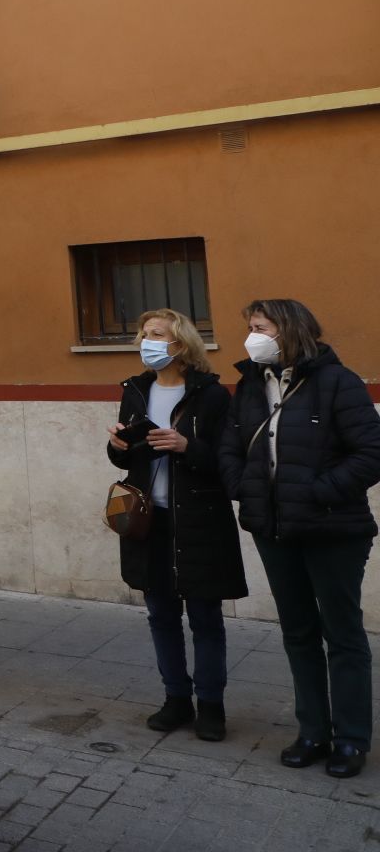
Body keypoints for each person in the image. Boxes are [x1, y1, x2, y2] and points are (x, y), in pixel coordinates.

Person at [219, 298, 380, 779]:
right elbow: (231, 447)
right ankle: (313, 731)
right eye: (249, 326)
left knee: (343, 633)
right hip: (275, 529)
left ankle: (351, 739)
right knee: (298, 633)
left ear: (289, 330)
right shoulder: (250, 385)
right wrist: (242, 489)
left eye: (261, 326)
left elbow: (371, 451)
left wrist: (317, 493)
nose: (252, 336)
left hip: (333, 530)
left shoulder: (337, 382)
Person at [105, 309, 243, 742]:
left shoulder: (212, 394)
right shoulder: (136, 390)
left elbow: (228, 460)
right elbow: (126, 458)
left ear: (180, 345)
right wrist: (118, 446)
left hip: (199, 519)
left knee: (205, 616)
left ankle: (212, 706)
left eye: (157, 334)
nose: (148, 341)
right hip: (150, 519)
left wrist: (187, 446)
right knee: (160, 614)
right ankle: (175, 698)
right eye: (144, 334)